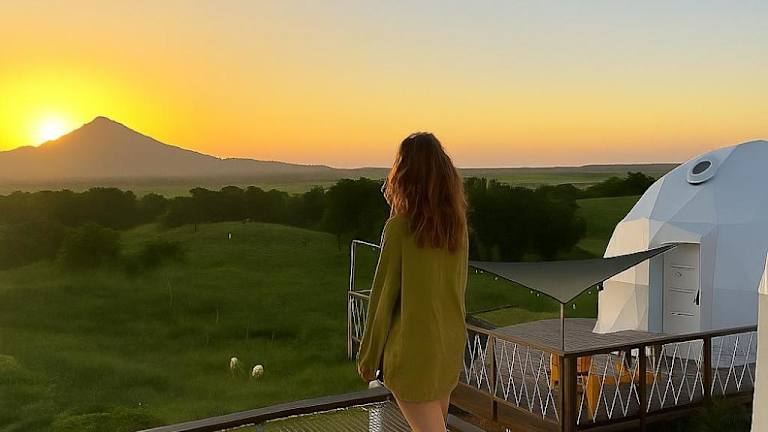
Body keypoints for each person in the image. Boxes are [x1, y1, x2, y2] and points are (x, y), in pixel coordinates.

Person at [356, 132, 469, 432]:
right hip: (447, 349)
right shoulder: (455, 228)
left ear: (404, 175)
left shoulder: (400, 229)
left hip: (413, 356)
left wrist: (368, 359)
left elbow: (382, 298)